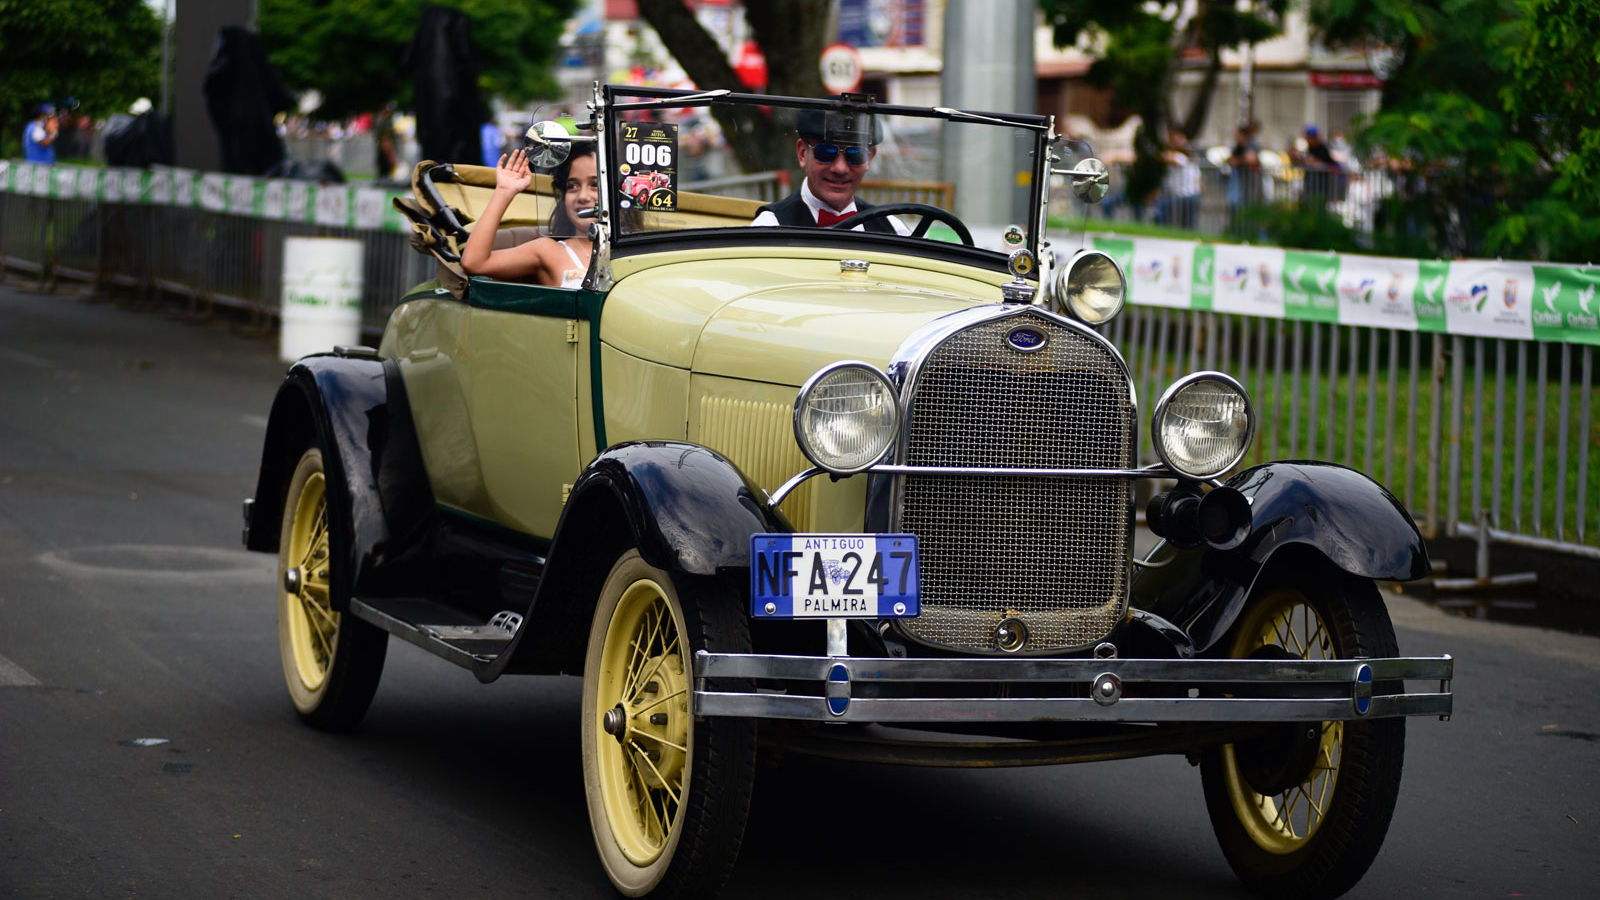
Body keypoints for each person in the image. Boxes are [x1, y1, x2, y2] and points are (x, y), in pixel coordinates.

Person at [752, 109, 908, 235]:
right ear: (802, 153)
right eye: (825, 152)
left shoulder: (894, 230)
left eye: (855, 155)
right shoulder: (769, 229)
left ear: (869, 158)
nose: (840, 168)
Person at [461, 145, 596, 288]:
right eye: (572, 186)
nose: (583, 196)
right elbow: (474, 263)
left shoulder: (618, 250)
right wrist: (504, 191)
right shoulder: (549, 251)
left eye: (595, 184)